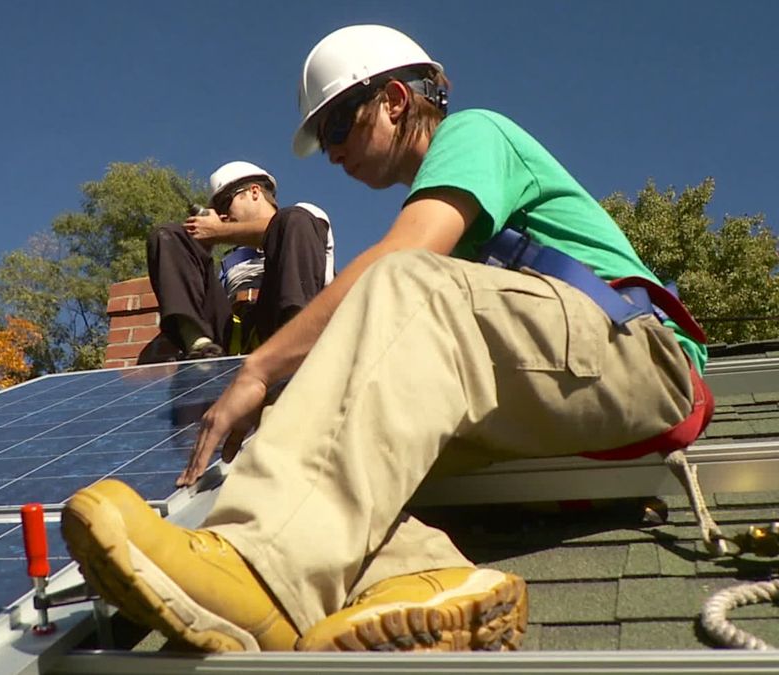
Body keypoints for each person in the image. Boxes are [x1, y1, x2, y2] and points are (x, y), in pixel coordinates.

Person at [62, 24, 709, 653]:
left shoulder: (474, 131)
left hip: (642, 360)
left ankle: (259, 568)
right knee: (319, 421)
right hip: (556, 390)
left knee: (398, 284)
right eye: (324, 138)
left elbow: (405, 260)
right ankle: (425, 573)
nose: (334, 152)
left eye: (339, 125)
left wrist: (258, 370)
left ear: (397, 101)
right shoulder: (449, 253)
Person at [147, 161, 334, 359]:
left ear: (254, 192)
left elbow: (279, 228)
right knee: (168, 235)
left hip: (280, 326)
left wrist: (218, 232)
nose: (223, 216)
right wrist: (196, 247)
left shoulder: (304, 216)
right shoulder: (232, 258)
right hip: (230, 337)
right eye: (218, 212)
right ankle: (199, 346)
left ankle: (297, 340)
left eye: (225, 204)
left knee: (293, 219)